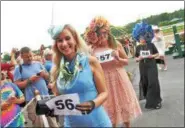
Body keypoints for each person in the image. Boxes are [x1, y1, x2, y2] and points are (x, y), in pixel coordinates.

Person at [48, 24, 112, 127]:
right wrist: (53, 107)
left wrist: (93, 103)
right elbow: (59, 98)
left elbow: (104, 93)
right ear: (56, 45)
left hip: (98, 123)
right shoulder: (56, 69)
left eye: (67, 38)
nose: (64, 44)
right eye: (60, 40)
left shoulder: (90, 61)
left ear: (75, 39)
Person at [84, 16, 142, 128]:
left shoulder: (115, 44)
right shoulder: (92, 50)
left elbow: (126, 61)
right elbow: (90, 67)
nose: (103, 36)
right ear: (94, 35)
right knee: (108, 108)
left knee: (123, 103)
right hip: (103, 80)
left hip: (119, 77)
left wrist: (118, 59)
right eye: (100, 33)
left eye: (105, 32)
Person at [13, 47, 59, 127]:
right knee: (38, 123)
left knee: (52, 122)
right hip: (31, 99)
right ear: (22, 56)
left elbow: (48, 77)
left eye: (31, 55)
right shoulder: (18, 68)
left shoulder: (38, 64)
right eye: (27, 56)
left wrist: (44, 74)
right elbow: (16, 85)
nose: (30, 58)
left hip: (45, 96)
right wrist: (29, 80)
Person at [132, 21, 162, 110]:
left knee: (153, 82)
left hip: (152, 65)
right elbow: (136, 59)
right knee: (146, 83)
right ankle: (150, 99)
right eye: (140, 37)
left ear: (147, 36)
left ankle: (156, 102)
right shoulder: (137, 47)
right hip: (143, 67)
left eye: (143, 36)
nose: (142, 38)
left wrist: (151, 56)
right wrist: (139, 58)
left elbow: (157, 54)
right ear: (138, 37)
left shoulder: (151, 45)